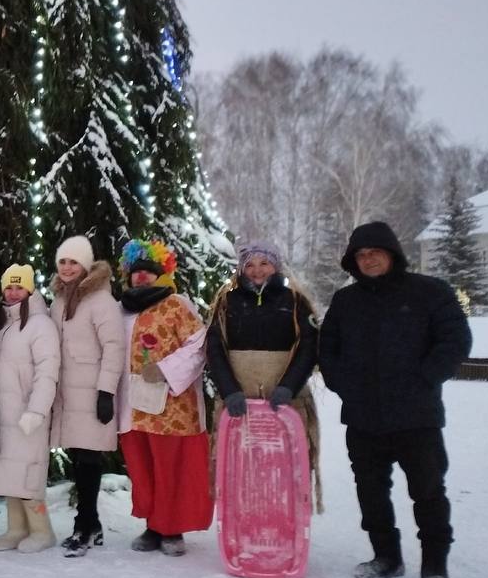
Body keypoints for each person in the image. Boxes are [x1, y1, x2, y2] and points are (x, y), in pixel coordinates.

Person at [318, 221, 471, 578]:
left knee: (428, 490)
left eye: (375, 252)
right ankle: (386, 556)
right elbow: (328, 348)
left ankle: (435, 564)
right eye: (362, 255)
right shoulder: (346, 301)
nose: (369, 259)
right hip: (363, 417)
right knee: (371, 491)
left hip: (416, 417)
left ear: (392, 254)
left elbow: (455, 340)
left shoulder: (430, 292)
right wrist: (344, 385)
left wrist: (425, 378)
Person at [206, 240, 323, 512]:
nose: (257, 270)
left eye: (264, 263)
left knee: (283, 469)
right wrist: (229, 390)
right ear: (241, 269)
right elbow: (214, 348)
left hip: (286, 404)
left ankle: (283, 521)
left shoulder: (295, 302)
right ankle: (244, 522)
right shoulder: (226, 302)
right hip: (239, 406)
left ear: (276, 266)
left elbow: (308, 348)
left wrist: (289, 387)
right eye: (249, 265)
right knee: (241, 470)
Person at [115, 239, 210, 557]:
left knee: (171, 468)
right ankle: (152, 526)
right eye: (136, 272)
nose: (141, 277)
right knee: (143, 469)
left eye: (149, 272)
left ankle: (172, 529)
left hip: (171, 407)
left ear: (162, 274)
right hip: (132, 405)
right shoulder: (121, 309)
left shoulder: (177, 305)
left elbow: (199, 346)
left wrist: (167, 371)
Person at [48, 236, 125, 558]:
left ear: (85, 265)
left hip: (93, 392)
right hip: (68, 393)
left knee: (89, 461)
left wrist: (106, 391)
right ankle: (91, 525)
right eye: (63, 262)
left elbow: (114, 346)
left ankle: (84, 526)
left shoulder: (101, 301)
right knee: (79, 460)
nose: (67, 268)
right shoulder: (59, 300)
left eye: (73, 262)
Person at [0, 263, 60, 553]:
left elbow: (48, 371)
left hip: (28, 416)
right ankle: (16, 529)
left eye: (19, 286)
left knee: (28, 476)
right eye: (9, 287)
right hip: (3, 415)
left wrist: (37, 410)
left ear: (30, 289)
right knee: (10, 476)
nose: (13, 293)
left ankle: (42, 531)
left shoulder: (40, 325)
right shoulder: (3, 324)